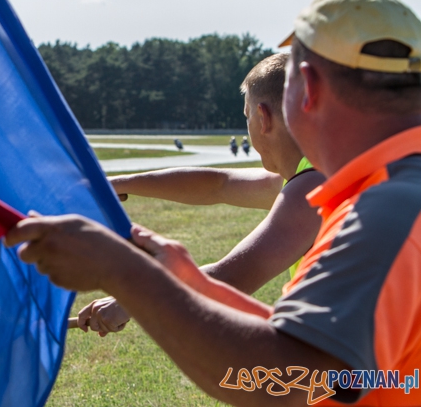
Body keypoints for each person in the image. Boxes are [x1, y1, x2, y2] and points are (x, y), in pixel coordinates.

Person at [7, 0, 421, 405]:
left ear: (308, 89)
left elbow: (284, 380)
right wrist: (181, 280)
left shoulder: (385, 209)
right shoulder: (389, 188)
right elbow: (335, 369)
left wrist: (127, 275)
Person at [81, 53, 324, 336]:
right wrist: (121, 183)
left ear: (262, 118)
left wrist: (133, 299)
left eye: (246, 116)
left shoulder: (311, 188)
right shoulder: (311, 174)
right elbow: (217, 184)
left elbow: (230, 277)